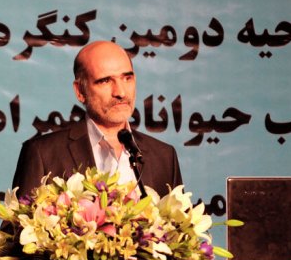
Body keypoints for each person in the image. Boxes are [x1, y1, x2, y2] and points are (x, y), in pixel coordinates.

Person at [11, 40, 182, 197]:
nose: (121, 92)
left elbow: (178, 220)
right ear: (80, 91)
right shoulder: (43, 154)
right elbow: (21, 219)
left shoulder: (164, 157)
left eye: (127, 78)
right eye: (105, 81)